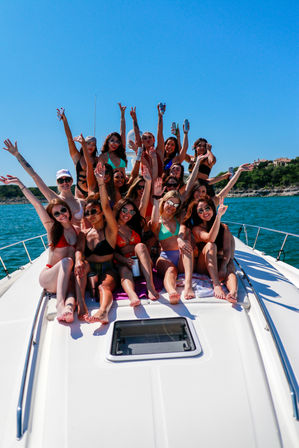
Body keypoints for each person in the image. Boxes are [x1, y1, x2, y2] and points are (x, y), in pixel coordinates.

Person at [0, 175, 81, 323]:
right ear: (53, 217)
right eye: (56, 213)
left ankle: (67, 309)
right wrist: (19, 183)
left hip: (66, 278)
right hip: (49, 278)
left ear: (68, 210)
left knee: (72, 294)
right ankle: (59, 304)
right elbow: (37, 204)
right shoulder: (52, 229)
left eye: (63, 210)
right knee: (67, 261)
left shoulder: (77, 230)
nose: (61, 214)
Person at [3, 139, 84, 226]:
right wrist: (17, 155)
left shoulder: (82, 202)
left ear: (71, 181)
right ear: (57, 183)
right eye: (61, 180)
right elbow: (34, 175)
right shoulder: (56, 199)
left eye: (67, 179)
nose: (64, 183)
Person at [75, 163, 118, 323]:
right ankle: (82, 306)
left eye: (94, 211)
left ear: (101, 212)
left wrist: (101, 182)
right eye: (87, 213)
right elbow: (79, 250)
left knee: (103, 287)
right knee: (79, 267)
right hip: (89, 269)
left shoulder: (110, 230)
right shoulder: (84, 233)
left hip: (108, 268)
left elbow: (106, 206)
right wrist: (79, 260)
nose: (90, 215)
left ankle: (103, 312)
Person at [184, 196, 237, 303]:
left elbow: (227, 250)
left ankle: (233, 293)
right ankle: (216, 285)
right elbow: (210, 238)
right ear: (197, 214)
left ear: (212, 208)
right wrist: (218, 216)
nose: (205, 212)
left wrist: (223, 266)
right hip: (203, 266)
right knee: (210, 245)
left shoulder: (224, 227)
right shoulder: (196, 229)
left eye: (207, 208)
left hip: (218, 263)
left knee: (230, 264)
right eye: (200, 210)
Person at [150, 179, 194, 303]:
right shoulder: (157, 223)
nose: (172, 207)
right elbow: (153, 222)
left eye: (175, 205)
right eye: (170, 202)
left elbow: (183, 227)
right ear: (164, 201)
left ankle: (188, 285)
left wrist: (180, 238)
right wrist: (156, 198)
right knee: (170, 271)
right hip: (165, 258)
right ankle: (172, 292)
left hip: (181, 259)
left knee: (187, 245)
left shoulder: (178, 219)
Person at [114, 198, 159, 306]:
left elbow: (143, 204)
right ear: (118, 209)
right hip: (125, 263)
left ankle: (150, 286)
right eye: (124, 210)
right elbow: (112, 252)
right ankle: (132, 296)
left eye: (131, 212)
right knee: (124, 270)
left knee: (140, 246)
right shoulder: (111, 227)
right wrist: (124, 260)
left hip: (142, 264)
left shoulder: (134, 225)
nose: (127, 214)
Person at [57, 107, 98, 199]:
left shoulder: (98, 159)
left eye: (93, 144)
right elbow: (69, 139)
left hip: (94, 191)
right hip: (79, 191)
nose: (91, 146)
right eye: (88, 143)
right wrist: (65, 120)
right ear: (83, 143)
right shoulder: (78, 158)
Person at [98, 104, 127, 174]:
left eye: (117, 141)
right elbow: (99, 174)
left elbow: (123, 131)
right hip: (109, 184)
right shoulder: (103, 157)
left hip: (123, 183)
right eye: (112, 140)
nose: (115, 143)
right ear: (108, 142)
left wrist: (122, 115)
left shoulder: (120, 153)